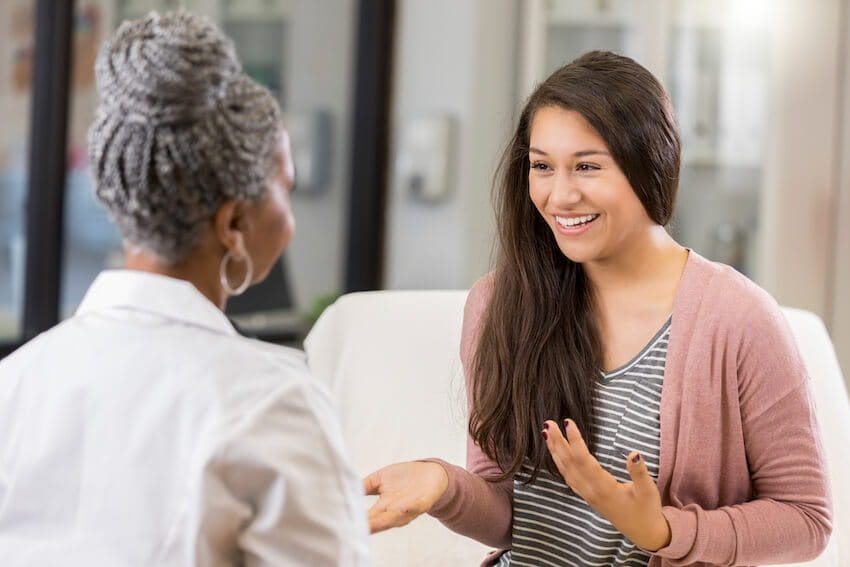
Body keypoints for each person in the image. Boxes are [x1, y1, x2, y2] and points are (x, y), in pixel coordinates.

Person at [364, 51, 832, 566]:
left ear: (650, 163)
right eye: (542, 166)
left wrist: (661, 530)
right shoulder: (499, 303)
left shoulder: (739, 320)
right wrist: (443, 485)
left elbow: (806, 519)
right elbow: (509, 515)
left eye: (587, 166)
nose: (559, 195)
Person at [0, 11, 370, 566]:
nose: (290, 219)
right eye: (284, 189)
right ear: (233, 226)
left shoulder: (16, 382)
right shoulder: (272, 401)